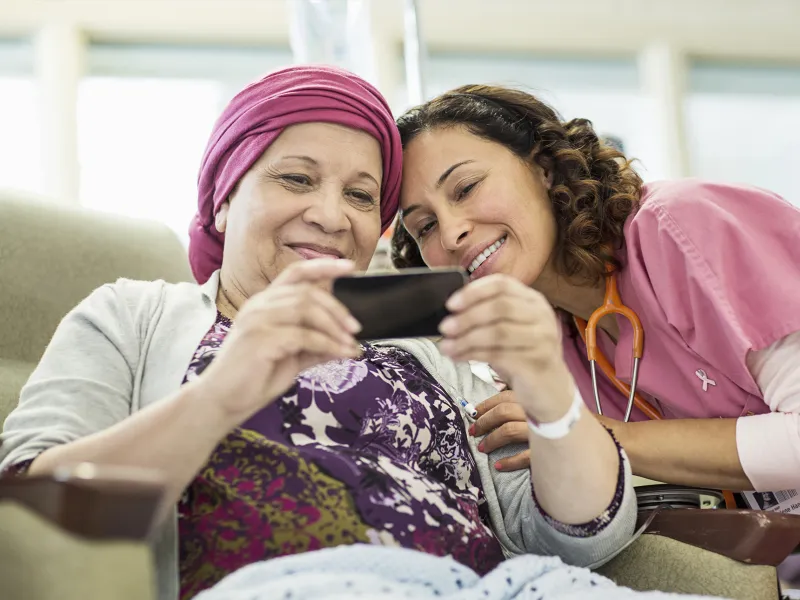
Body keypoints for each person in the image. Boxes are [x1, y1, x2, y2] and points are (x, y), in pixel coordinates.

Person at [0, 67, 648, 600]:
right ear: (225, 199)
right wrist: (220, 394)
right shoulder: (132, 314)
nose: (331, 215)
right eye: (296, 178)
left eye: (362, 196)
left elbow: (583, 535)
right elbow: (34, 516)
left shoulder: (434, 348)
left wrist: (551, 395)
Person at [391, 84, 800, 499]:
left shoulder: (682, 227)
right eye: (424, 226)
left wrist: (589, 433)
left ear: (543, 167)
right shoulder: (543, 343)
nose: (452, 232)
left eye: (466, 188)